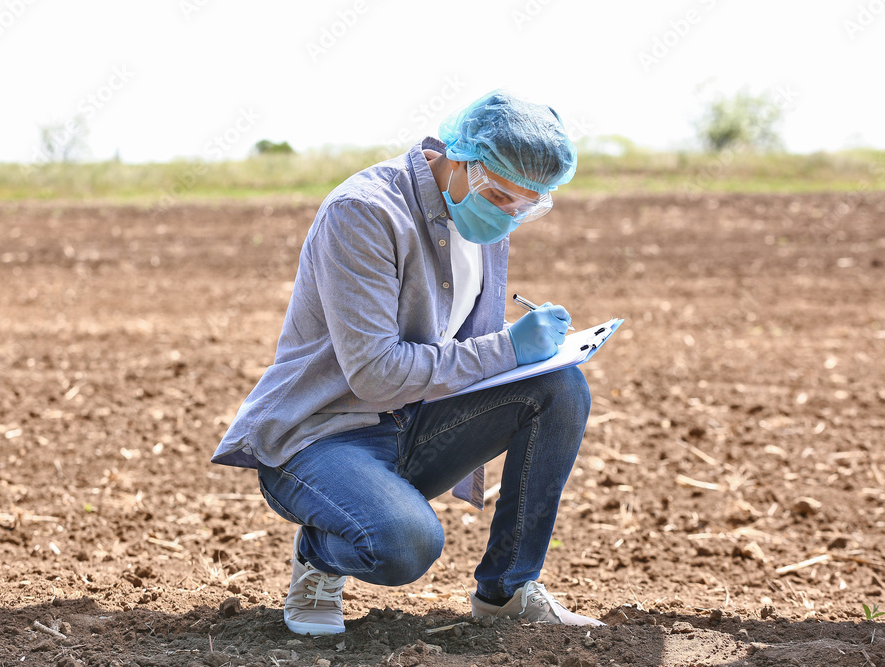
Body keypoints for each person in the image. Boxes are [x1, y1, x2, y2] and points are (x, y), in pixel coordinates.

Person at [211, 90, 605, 634]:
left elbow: (463, 350)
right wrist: (510, 348)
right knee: (404, 544)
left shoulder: (479, 218)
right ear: (461, 159)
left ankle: (508, 593)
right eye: (502, 197)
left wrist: (536, 357)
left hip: (413, 421)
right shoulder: (365, 214)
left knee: (561, 388)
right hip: (323, 436)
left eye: (527, 205)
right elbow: (375, 373)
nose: (510, 215)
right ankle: (320, 555)